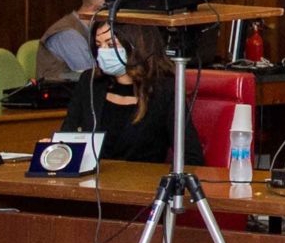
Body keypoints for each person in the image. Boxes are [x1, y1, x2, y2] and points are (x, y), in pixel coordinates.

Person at [59, 18, 205, 164]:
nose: (103, 52)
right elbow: (67, 136)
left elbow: (191, 157)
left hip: (143, 177)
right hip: (95, 177)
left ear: (137, 46)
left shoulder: (165, 89)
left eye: (111, 45)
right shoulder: (90, 82)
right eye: (98, 45)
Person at [36, 0, 105, 83]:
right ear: (96, 9)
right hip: (59, 90)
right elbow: (91, 74)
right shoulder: (68, 34)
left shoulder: (83, 28)